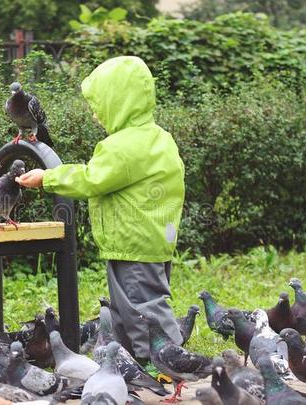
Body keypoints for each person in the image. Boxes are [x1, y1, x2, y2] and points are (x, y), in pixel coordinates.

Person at [16, 56, 185, 362]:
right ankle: (130, 363)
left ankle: (168, 361)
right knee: (126, 309)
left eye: (99, 105)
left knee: (143, 308)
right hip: (152, 238)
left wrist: (47, 178)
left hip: (132, 242)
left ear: (119, 103)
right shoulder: (161, 138)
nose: (95, 114)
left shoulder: (121, 147)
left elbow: (91, 179)